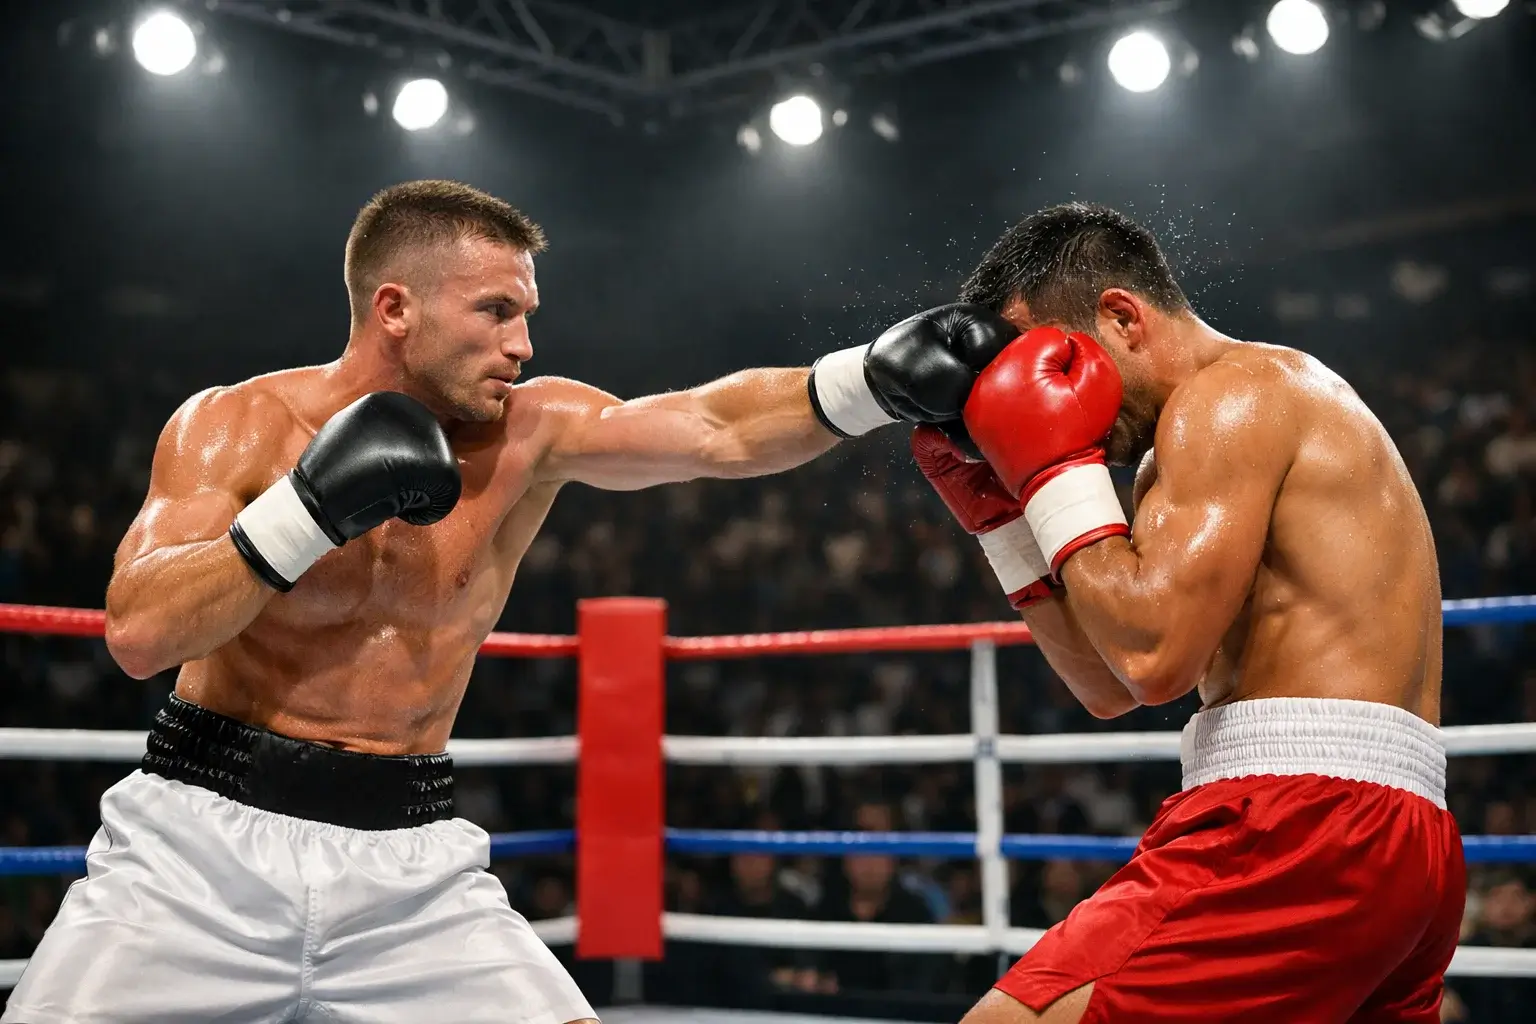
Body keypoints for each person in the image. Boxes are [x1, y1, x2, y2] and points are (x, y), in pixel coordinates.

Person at [2, 179, 1007, 1024]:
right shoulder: (238, 425)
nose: (522, 343)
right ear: (396, 309)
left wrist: (866, 382)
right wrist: (306, 510)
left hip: (410, 868)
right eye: (494, 312)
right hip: (197, 851)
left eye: (526, 313)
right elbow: (139, 630)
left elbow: (715, 428)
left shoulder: (530, 435)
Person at [901, 202, 1463, 1022]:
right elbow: (1110, 683)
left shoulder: (1233, 395)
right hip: (1399, 839)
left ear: (1122, 316)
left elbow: (1155, 658)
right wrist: (1006, 521)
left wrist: (1048, 468)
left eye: (1054, 363)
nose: (1049, 399)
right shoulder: (1195, 444)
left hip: (1299, 823)